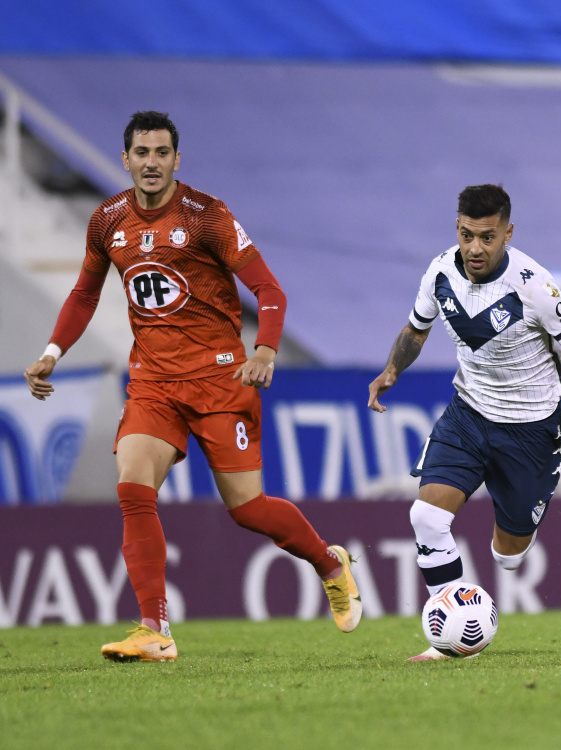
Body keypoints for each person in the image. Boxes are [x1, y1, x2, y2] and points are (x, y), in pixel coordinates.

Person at [23, 111, 361, 662]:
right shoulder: (107, 220)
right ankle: (155, 629)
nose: (151, 163)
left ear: (177, 160)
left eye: (161, 153)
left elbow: (268, 290)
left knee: (247, 508)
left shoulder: (207, 217)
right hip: (154, 382)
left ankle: (329, 562)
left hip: (220, 379)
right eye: (141, 152)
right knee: (133, 484)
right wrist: (51, 352)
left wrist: (266, 350)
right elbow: (85, 294)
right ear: (125, 157)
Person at [368, 184, 561, 661]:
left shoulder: (534, 285)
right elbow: (415, 328)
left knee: (507, 557)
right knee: (426, 517)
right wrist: (392, 369)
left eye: (488, 237)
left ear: (507, 233)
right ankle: (451, 643)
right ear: (457, 229)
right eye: (468, 235)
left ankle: (502, 554)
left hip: (531, 432)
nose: (475, 248)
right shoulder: (439, 272)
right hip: (468, 414)